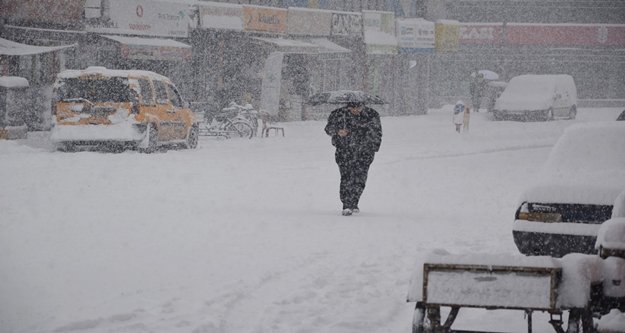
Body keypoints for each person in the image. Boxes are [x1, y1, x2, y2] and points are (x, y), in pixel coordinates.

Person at [325, 101, 382, 216]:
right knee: (346, 177)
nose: (355, 110)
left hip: (365, 152)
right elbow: (328, 128)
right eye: (352, 107)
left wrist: (371, 146)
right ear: (348, 106)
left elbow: (377, 133)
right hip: (344, 151)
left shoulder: (372, 115)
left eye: (358, 107)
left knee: (360, 178)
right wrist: (338, 132)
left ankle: (354, 201)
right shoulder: (338, 114)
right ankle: (346, 204)